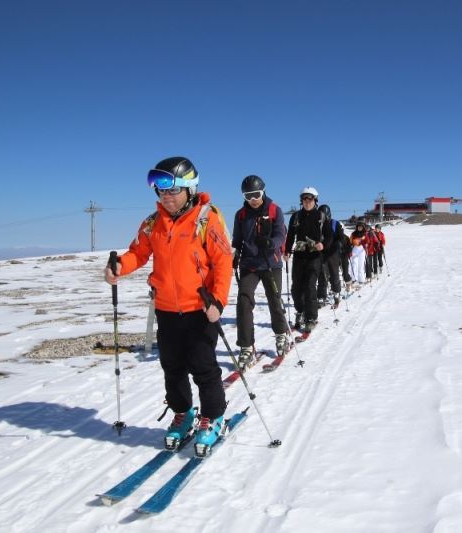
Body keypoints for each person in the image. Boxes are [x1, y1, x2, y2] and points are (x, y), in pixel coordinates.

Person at [104, 156, 233, 456]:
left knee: (203, 367)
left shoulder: (207, 218)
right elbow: (138, 253)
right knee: (172, 367)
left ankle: (212, 416)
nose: (165, 196)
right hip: (166, 307)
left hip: (200, 308)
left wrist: (218, 300)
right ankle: (183, 412)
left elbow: (223, 261)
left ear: (188, 188)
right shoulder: (153, 223)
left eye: (171, 190)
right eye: (160, 190)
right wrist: (118, 267)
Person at [232, 175, 289, 365]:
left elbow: (281, 234)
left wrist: (271, 243)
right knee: (243, 302)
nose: (253, 199)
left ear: (263, 191)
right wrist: (235, 255)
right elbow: (237, 241)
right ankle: (246, 346)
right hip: (249, 264)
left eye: (256, 194)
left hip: (271, 262)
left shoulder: (274, 210)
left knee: (274, 300)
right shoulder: (240, 215)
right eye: (248, 196)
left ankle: (281, 334)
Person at [284, 187, 331, 333]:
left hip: (315, 257)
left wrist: (323, 245)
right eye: (304, 199)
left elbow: (329, 236)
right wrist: (287, 251)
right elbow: (290, 235)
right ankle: (301, 311)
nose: (306, 201)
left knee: (310, 286)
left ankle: (311, 317)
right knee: (296, 288)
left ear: (315, 200)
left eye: (309, 199)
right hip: (299, 256)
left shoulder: (321, 216)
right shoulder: (296, 216)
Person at [316, 204, 344, 308]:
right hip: (321, 253)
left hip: (333, 253)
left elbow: (341, 238)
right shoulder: (317, 225)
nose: (321, 217)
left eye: (323, 215)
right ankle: (321, 296)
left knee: (334, 274)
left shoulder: (335, 224)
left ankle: (336, 293)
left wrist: (338, 244)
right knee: (322, 276)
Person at [348, 222, 367, 287]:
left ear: (363, 227)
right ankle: (354, 279)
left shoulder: (365, 234)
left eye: (361, 227)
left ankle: (361, 279)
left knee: (361, 265)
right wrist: (350, 248)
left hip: (362, 250)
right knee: (354, 264)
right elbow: (350, 242)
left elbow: (368, 241)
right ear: (357, 227)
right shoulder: (353, 234)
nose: (359, 228)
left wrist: (366, 244)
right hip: (355, 249)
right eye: (358, 227)